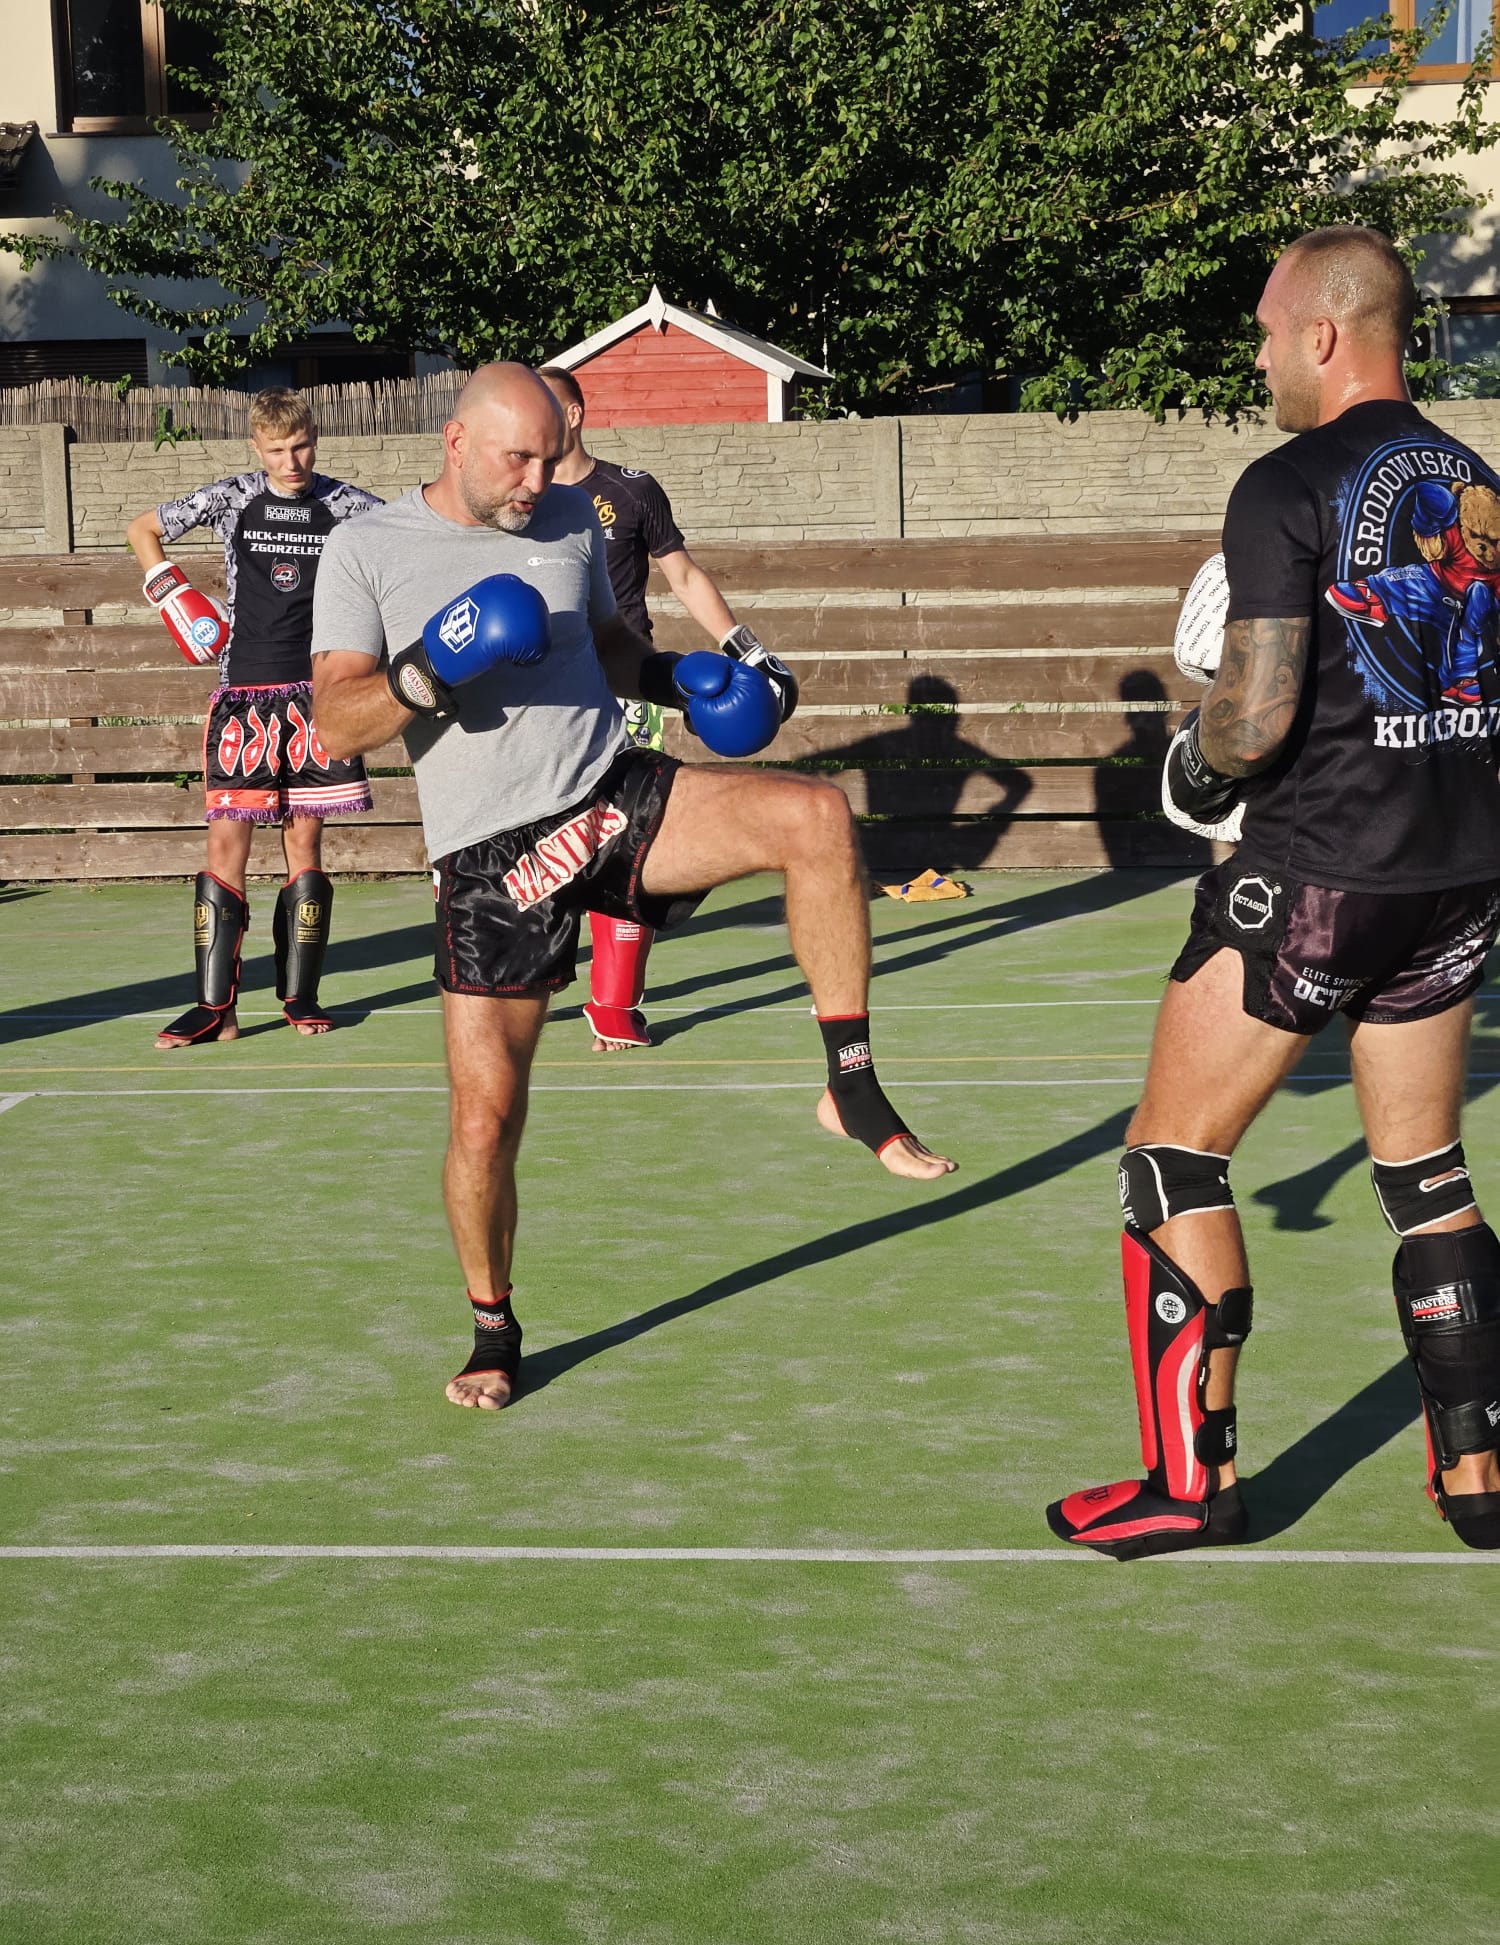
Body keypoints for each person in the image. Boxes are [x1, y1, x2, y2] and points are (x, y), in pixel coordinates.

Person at [310, 362, 955, 1413]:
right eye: (518, 459)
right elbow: (335, 723)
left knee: (817, 817)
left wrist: (679, 681)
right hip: (491, 858)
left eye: (550, 455)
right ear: (456, 442)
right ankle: (493, 1328)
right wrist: (432, 665)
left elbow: (605, 646)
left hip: (610, 796)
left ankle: (849, 1081)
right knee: (485, 1123)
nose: (539, 480)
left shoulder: (570, 516)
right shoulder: (368, 547)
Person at [1048, 226, 1500, 1558]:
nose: (1258, 359)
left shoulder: (1285, 482)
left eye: (1264, 332)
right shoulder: (1481, 482)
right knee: (1426, 1173)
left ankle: (1192, 1484)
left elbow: (1251, 722)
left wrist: (1192, 764)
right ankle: (1479, 1475)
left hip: (1317, 874)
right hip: (1459, 871)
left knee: (1171, 1161)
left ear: (1324, 334)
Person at [538, 363, 793, 1052]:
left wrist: (747, 650)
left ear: (574, 414)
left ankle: (614, 1004)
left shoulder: (631, 490)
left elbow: (682, 574)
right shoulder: (516, 496)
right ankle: (535, 970)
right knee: (543, 835)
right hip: (544, 691)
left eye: (545, 408)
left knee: (629, 838)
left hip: (627, 687)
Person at [126, 389, 383, 1047]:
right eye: (276, 450)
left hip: (318, 695)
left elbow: (413, 543)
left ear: (315, 438)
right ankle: (216, 1008)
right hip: (242, 694)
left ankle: (301, 996)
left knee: (305, 846)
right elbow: (142, 529)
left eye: (301, 446)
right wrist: (171, 592)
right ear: (256, 446)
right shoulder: (232, 497)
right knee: (224, 846)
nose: (291, 462)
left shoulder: (349, 506)